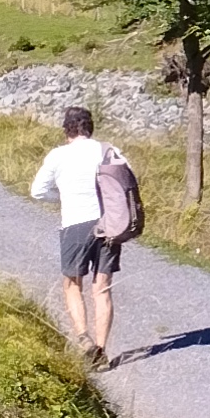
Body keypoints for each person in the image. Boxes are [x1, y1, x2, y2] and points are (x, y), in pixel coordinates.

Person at [26, 103, 128, 366]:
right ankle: (101, 351)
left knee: (72, 284)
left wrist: (61, 196)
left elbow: (37, 191)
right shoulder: (109, 150)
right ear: (90, 128)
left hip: (75, 224)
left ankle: (83, 338)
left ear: (66, 130)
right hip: (109, 225)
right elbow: (127, 182)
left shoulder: (58, 156)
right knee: (102, 288)